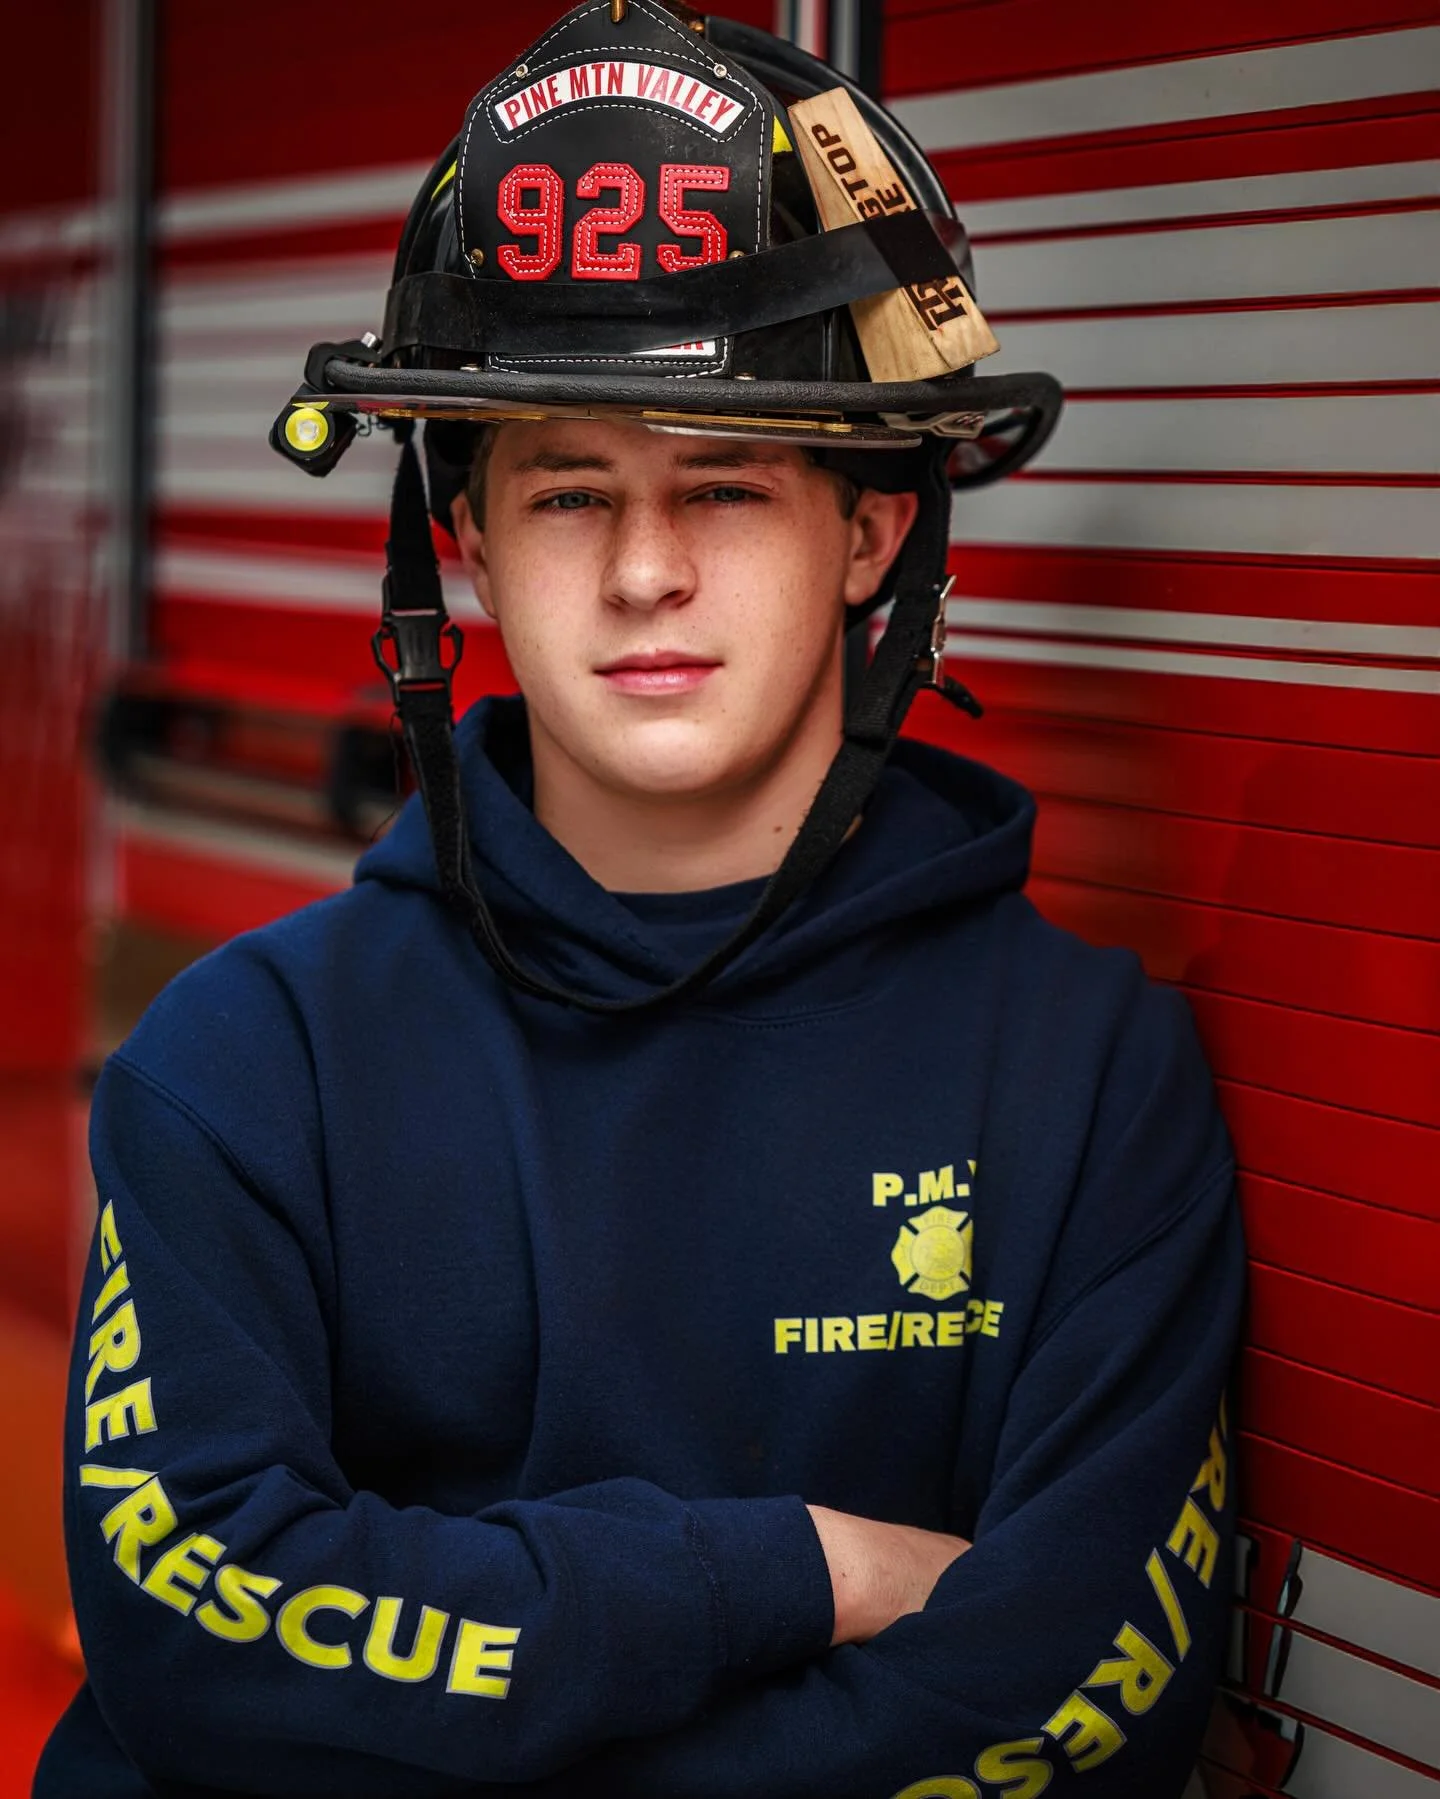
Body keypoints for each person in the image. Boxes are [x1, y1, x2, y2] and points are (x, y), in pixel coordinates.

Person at [37, 5, 1243, 1796]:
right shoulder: (243, 1061)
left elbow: (1084, 1702)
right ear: (466, 541)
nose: (645, 570)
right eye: (571, 489)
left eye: (728, 483)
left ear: (872, 532)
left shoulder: (1090, 1085)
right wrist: (800, 1569)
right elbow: (202, 1645)